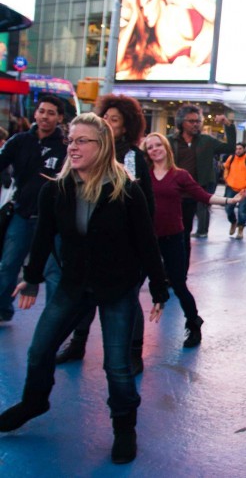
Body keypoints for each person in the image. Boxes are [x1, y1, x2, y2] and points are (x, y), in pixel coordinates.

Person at [0, 113, 170, 464]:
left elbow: (146, 243)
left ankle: (124, 427)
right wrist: (31, 277)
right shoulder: (56, 190)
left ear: (102, 146)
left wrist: (158, 287)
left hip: (116, 288)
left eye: (82, 141)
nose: (73, 147)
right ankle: (35, 401)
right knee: (39, 350)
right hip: (73, 284)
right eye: (71, 140)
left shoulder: (127, 191)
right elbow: (44, 237)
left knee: (118, 366)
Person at [55, 94, 154, 367]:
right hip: (91, 243)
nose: (108, 123)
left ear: (127, 126)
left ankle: (134, 353)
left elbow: (142, 202)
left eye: (115, 120)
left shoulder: (132, 156)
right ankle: (77, 345)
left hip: (123, 246)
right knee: (84, 297)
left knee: (128, 302)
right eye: (106, 118)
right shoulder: (90, 153)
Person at [143, 132, 244, 347]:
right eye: (150, 147)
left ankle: (193, 324)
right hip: (148, 240)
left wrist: (230, 200)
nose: (154, 149)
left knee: (179, 284)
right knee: (136, 284)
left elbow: (203, 196)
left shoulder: (180, 175)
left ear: (166, 148)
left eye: (158, 145)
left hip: (173, 237)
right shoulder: (144, 176)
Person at [0, 95, 67, 323]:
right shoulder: (19, 141)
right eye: (41, 111)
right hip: (22, 213)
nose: (45, 116)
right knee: (9, 263)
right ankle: (2, 309)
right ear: (35, 114)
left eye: (51, 112)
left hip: (54, 220)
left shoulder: (66, 146)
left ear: (59, 117)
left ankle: (53, 320)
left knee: (53, 273)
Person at [116, 0, 216, 79]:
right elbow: (118, 65)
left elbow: (223, 20)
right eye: (141, 7)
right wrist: (135, 14)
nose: (145, 12)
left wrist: (196, 58)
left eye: (149, 1)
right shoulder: (155, 47)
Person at [167, 105, 235, 266]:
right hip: (172, 194)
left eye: (198, 121)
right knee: (169, 234)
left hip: (192, 194)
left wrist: (228, 125)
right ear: (181, 122)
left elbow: (230, 148)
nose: (195, 124)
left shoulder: (207, 141)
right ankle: (167, 268)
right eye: (191, 121)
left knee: (184, 234)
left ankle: (181, 270)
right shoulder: (170, 141)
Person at [222, 142, 246, 240]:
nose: (238, 150)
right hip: (231, 187)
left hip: (243, 190)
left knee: (242, 211)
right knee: (228, 208)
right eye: (236, 148)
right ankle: (233, 222)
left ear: (244, 149)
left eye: (240, 148)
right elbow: (226, 167)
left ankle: (240, 230)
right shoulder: (231, 158)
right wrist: (226, 177)